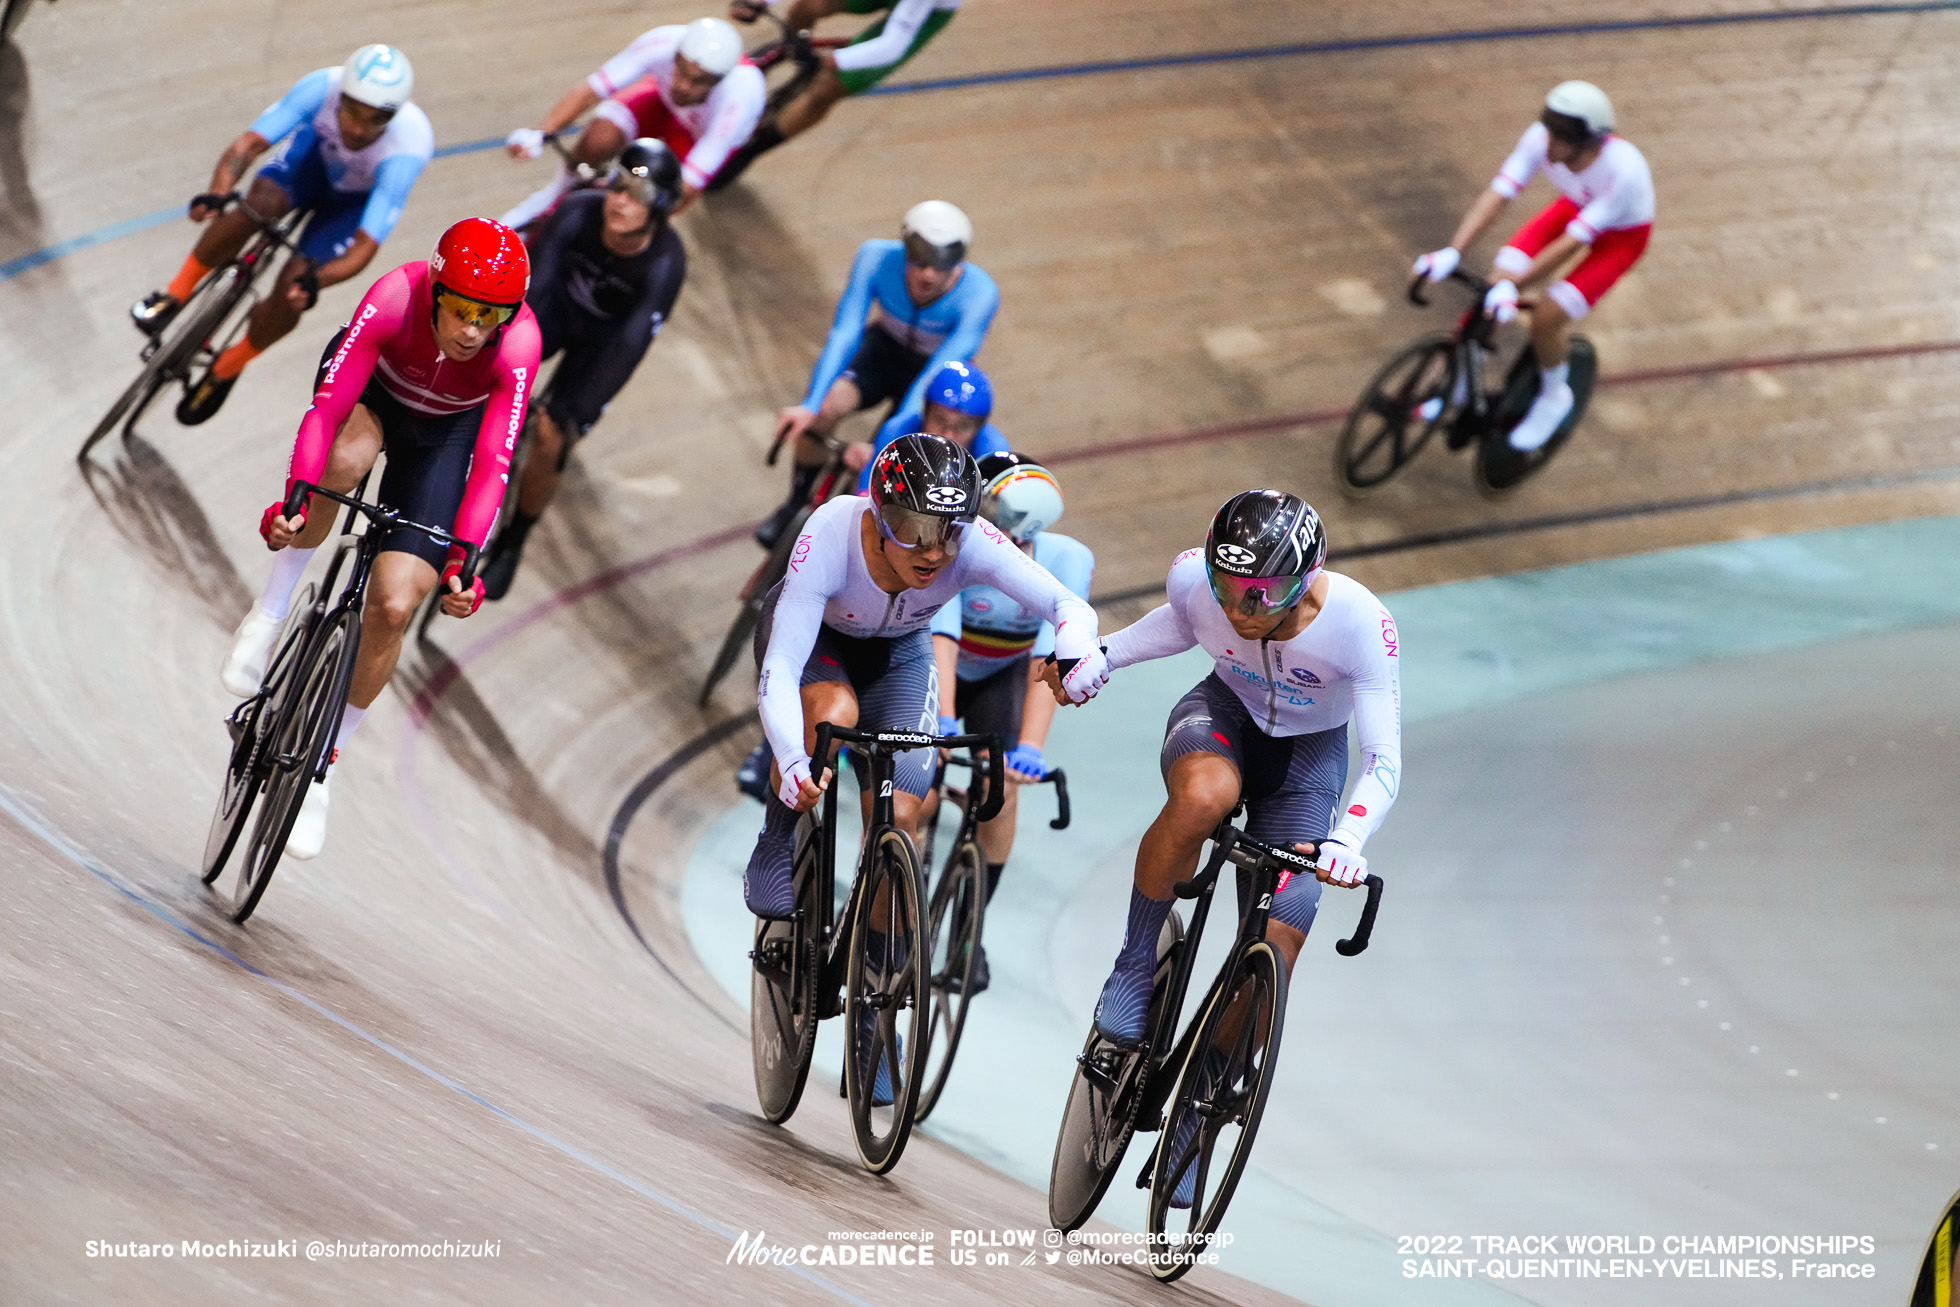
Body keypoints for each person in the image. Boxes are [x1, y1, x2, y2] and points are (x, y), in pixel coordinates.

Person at [742, 434, 1107, 1102]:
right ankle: (776, 837)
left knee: (905, 813)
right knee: (834, 711)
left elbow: (1067, 605)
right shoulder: (830, 533)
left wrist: (1077, 646)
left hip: (898, 655)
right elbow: (780, 670)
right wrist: (791, 760)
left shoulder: (971, 546)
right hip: (817, 649)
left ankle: (873, 1013)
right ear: (879, 515)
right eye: (912, 530)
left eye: (947, 532)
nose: (932, 551)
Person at [1068, 490, 1400, 1206]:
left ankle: (1200, 1101)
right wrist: (1104, 655)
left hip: (1306, 763)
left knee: (1290, 917)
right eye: (1230, 590)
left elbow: (1383, 757)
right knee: (1201, 799)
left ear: (1308, 575)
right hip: (1221, 718)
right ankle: (1133, 967)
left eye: (1262, 594)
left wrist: (1348, 836)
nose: (1242, 611)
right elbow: (1181, 624)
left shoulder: (1360, 623)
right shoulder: (1198, 582)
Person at [219, 218, 542, 859]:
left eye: (492, 315)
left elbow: (493, 464)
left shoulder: (519, 345)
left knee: (394, 606)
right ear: (436, 292)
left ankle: (320, 766)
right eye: (463, 309)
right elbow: (328, 410)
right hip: (371, 395)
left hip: (443, 438)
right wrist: (296, 498)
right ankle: (271, 610)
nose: (475, 329)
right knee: (344, 462)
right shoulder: (395, 295)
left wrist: (464, 563)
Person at [132, 45, 431, 424]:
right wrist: (219, 192)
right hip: (310, 163)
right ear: (341, 97)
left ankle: (229, 365)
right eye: (352, 111)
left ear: (393, 116)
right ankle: (174, 294)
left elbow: (363, 247)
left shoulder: (407, 149)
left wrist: (315, 281)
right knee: (251, 210)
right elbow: (248, 146)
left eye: (373, 119)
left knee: (292, 292)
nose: (357, 128)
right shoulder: (320, 87)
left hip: (351, 205)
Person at [478, 140, 690, 601]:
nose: (621, 201)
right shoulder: (576, 211)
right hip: (556, 312)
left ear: (661, 208)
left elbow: (631, 344)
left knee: (555, 433)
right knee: (489, 370)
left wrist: (574, 412)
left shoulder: (667, 262)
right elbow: (534, 293)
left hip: (605, 345)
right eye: (617, 186)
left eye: (638, 195)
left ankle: (514, 539)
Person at [924, 453, 1091, 993]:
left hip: (1002, 677)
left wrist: (1030, 749)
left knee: (1000, 789)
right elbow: (941, 634)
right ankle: (885, 890)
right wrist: (944, 723)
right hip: (933, 663)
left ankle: (968, 934)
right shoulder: (958, 540)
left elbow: (1050, 657)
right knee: (918, 787)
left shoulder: (1068, 560)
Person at [1412, 80, 1652, 452]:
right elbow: (1500, 194)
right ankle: (1456, 386)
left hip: (1620, 240)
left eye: (1560, 137)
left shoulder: (1624, 172)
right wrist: (1453, 251)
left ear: (1588, 143)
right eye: (1549, 129)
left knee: (1546, 316)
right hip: (1574, 209)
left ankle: (1555, 398)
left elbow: (1572, 243)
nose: (1549, 143)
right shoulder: (1540, 139)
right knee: (1494, 286)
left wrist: (1519, 284)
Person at [756, 200, 996, 546]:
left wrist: (885, 447)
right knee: (827, 408)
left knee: (909, 440)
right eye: (920, 261)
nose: (928, 275)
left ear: (960, 263)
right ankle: (796, 503)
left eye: (941, 267)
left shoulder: (980, 295)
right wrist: (810, 404)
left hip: (933, 376)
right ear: (904, 250)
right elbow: (846, 331)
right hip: (883, 351)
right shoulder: (875, 258)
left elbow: (933, 372)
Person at [501, 17, 763, 229]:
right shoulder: (662, 42)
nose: (683, 85)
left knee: (647, 202)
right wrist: (541, 134)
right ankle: (553, 194)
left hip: (698, 135)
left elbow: (686, 188)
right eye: (680, 70)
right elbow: (590, 91)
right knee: (597, 139)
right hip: (660, 101)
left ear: (719, 80)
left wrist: (633, 225)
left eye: (697, 81)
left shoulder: (737, 102)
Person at [715, 0, 961, 186]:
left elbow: (893, 45)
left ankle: (750, 149)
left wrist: (840, 60)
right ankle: (794, 48)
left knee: (827, 88)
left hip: (926, 9)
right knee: (809, 6)